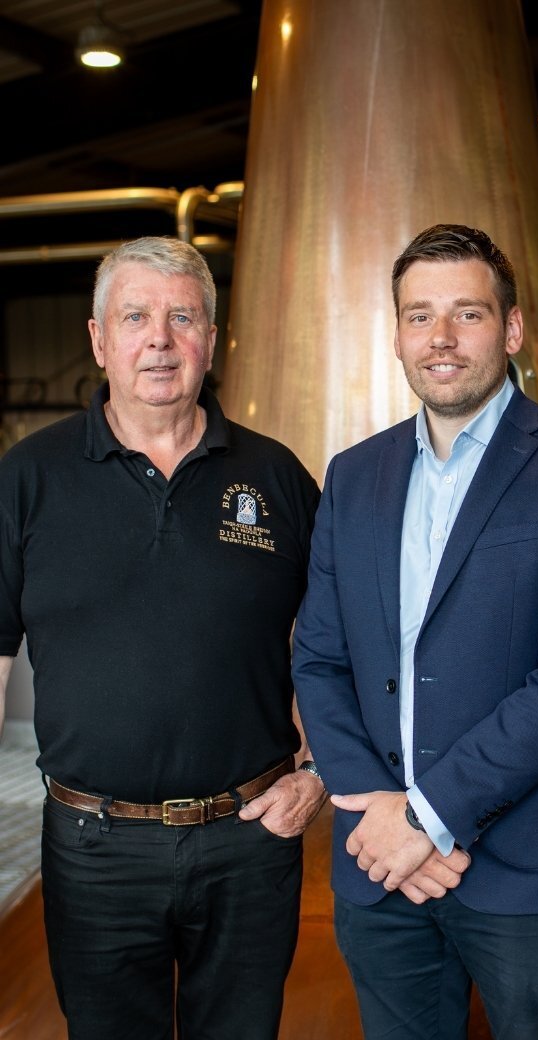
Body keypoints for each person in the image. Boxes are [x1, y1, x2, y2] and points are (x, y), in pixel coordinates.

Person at [292, 223, 538, 1039]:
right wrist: (385, 818)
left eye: (468, 314)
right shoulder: (355, 475)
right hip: (380, 868)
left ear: (512, 328)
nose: (441, 339)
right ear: (397, 334)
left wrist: (425, 819)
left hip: (528, 874)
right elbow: (318, 657)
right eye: (419, 316)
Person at [0, 236, 327, 1040]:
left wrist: (317, 771)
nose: (159, 338)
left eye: (183, 317)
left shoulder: (277, 477)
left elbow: (333, 646)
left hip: (252, 838)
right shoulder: (28, 477)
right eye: (137, 316)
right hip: (93, 845)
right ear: (98, 338)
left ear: (211, 341)